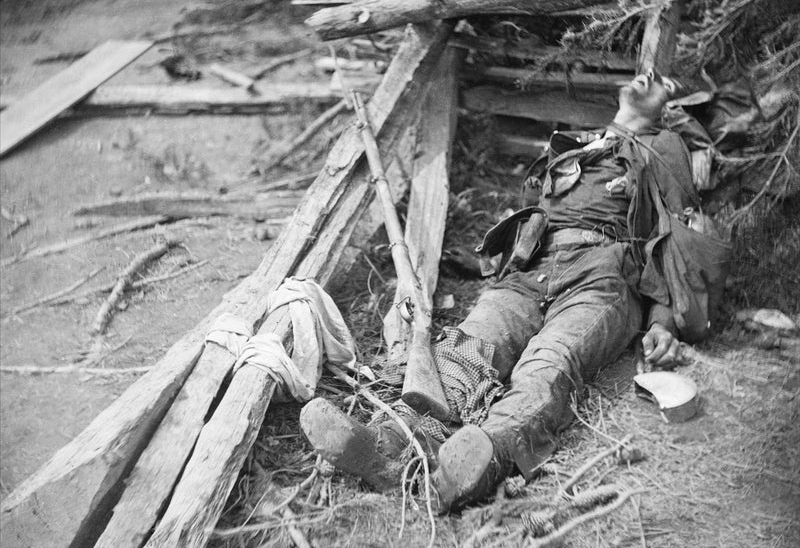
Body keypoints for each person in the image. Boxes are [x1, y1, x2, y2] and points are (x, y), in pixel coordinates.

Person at [301, 67, 729, 513]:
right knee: (470, 345)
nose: (645, 77)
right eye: (642, 74)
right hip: (530, 269)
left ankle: (482, 458)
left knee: (549, 363)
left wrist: (661, 322)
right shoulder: (576, 144)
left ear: (669, 102)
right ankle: (386, 445)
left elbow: (679, 241)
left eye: (658, 79)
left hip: (602, 277)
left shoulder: (663, 147)